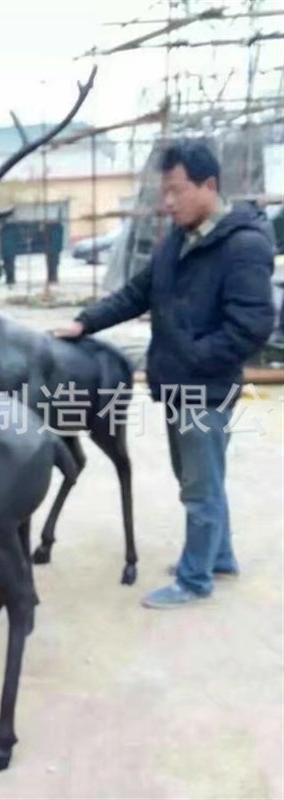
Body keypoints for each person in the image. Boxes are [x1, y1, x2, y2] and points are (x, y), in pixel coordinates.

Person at [55, 140, 275, 609]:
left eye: (176, 191)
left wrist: (195, 356)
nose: (168, 202)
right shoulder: (178, 240)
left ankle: (195, 581)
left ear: (208, 185)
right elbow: (137, 293)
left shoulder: (243, 246)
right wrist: (85, 323)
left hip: (205, 390)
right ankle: (219, 557)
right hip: (177, 386)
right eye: (165, 192)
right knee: (197, 477)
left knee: (198, 486)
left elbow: (252, 325)